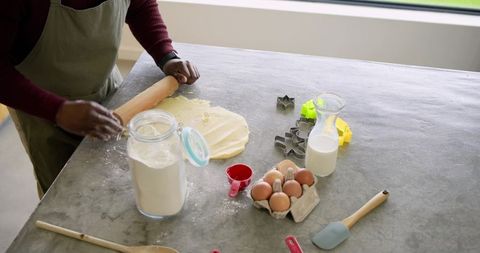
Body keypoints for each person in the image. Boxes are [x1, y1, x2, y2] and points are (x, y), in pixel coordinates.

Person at [0, 0, 199, 197]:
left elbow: (140, 6)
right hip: (42, 110)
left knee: (126, 179)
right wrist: (57, 110)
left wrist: (166, 55)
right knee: (67, 195)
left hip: (106, 87)